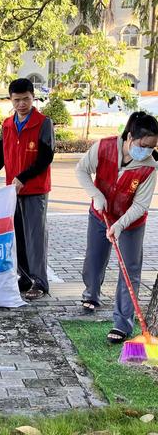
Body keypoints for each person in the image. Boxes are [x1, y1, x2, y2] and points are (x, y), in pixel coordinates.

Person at [76, 112, 158, 343]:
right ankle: (91, 293)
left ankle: (123, 324)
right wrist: (95, 194)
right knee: (94, 258)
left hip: (131, 222)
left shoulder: (150, 167)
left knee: (129, 269)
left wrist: (120, 225)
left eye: (153, 147)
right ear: (130, 137)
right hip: (100, 213)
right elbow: (81, 170)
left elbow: (141, 204)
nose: (148, 151)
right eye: (144, 145)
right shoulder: (104, 147)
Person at [0, 78, 55, 300]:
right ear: (10, 99)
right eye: (17, 100)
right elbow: (0, 156)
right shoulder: (7, 125)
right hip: (13, 191)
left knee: (35, 237)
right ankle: (25, 277)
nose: (22, 104)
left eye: (26, 99)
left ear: (33, 97)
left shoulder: (43, 123)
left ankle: (40, 282)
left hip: (35, 190)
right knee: (17, 236)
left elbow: (46, 157)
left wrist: (23, 177)